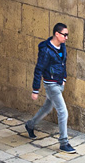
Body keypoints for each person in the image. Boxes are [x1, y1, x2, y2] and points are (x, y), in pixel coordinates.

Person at [24, 23, 77, 154]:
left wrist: (64, 79)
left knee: (47, 107)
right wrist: (35, 89)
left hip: (59, 83)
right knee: (63, 112)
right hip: (51, 85)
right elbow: (38, 69)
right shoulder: (46, 50)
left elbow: (63, 63)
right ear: (57, 34)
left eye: (67, 35)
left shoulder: (62, 47)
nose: (66, 37)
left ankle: (30, 125)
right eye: (65, 35)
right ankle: (63, 143)